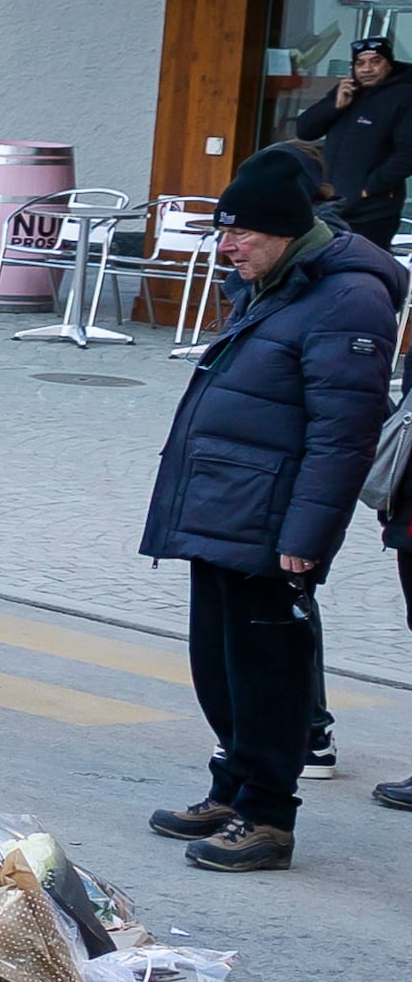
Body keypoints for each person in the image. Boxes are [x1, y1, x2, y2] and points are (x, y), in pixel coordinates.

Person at [138, 154, 404, 871]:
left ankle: (268, 817)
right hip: (226, 504)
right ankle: (232, 786)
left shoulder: (350, 299)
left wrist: (307, 535)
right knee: (218, 663)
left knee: (266, 672)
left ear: (285, 231)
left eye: (240, 234)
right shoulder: (274, 282)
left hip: (272, 518)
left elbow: (344, 432)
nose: (227, 246)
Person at [290, 32, 412, 243]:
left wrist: (368, 190)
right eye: (360, 63)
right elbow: (305, 130)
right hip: (330, 208)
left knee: (364, 271)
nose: (366, 69)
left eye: (375, 61)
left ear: (389, 64)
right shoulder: (347, 90)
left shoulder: (404, 95)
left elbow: (407, 154)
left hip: (373, 212)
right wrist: (334, 107)